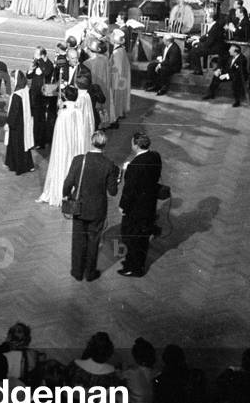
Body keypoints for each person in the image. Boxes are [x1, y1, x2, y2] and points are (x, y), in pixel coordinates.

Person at [62, 131, 119, 282]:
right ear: (105, 145)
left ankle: (77, 272)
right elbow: (112, 192)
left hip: (79, 206)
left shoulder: (79, 160)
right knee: (94, 241)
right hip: (97, 209)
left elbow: (67, 183)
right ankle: (90, 273)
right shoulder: (109, 165)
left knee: (78, 240)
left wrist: (66, 195)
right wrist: (118, 177)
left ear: (91, 142)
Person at [118, 131, 162, 277]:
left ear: (136, 145)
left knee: (130, 237)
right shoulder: (155, 156)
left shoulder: (134, 166)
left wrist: (123, 206)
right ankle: (137, 265)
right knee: (142, 238)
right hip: (149, 205)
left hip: (135, 209)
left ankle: (133, 267)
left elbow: (129, 190)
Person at [36, 86, 87, 207]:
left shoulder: (63, 114)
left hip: (63, 148)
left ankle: (58, 192)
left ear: (65, 97)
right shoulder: (78, 111)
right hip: (75, 148)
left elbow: (58, 134)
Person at [4, 70, 35, 176]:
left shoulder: (17, 95)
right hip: (24, 123)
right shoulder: (25, 90)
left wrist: (8, 123)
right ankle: (28, 165)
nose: (11, 81)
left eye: (12, 79)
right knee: (24, 144)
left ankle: (17, 166)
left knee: (16, 145)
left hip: (16, 125)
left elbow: (14, 111)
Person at [108, 27, 131, 125]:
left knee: (116, 98)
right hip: (123, 79)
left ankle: (115, 116)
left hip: (117, 80)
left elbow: (116, 69)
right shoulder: (122, 50)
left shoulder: (116, 52)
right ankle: (120, 112)